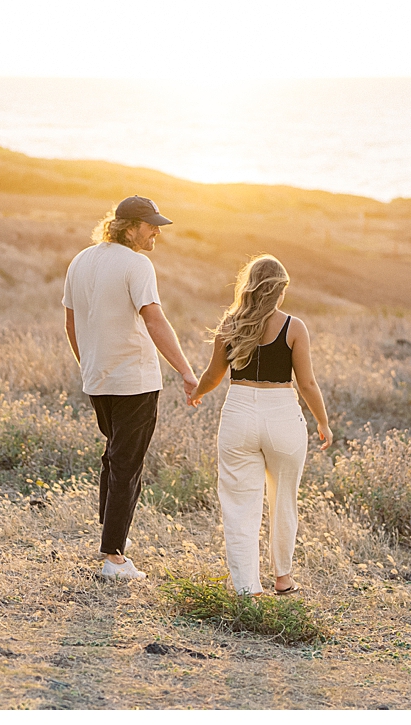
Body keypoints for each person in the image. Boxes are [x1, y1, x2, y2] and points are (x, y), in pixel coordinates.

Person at [63, 195, 199, 580]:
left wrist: (88, 364)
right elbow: (155, 321)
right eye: (150, 225)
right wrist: (187, 371)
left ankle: (109, 546)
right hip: (135, 381)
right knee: (126, 464)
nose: (157, 231)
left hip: (99, 379)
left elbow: (72, 325)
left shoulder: (81, 260)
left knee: (113, 458)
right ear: (128, 227)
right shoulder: (138, 264)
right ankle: (114, 558)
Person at [188, 255, 332, 595]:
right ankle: (283, 578)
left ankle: (248, 588)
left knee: (239, 504)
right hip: (282, 414)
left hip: (238, 413)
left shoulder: (230, 324)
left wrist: (197, 393)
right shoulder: (294, 327)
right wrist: (322, 421)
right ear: (279, 290)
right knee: (284, 500)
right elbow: (308, 384)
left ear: (248, 287)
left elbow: (213, 376)